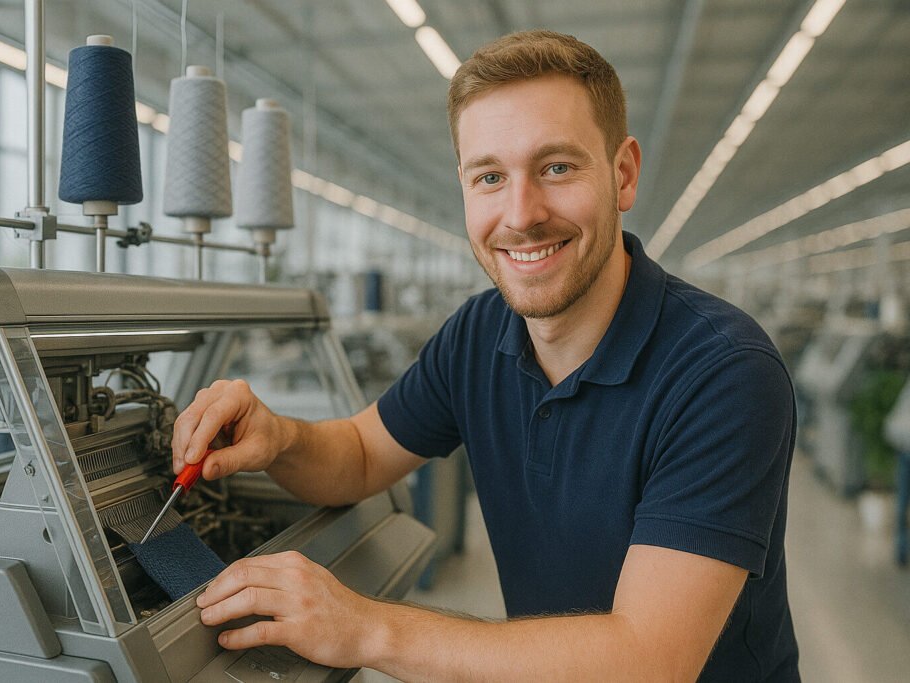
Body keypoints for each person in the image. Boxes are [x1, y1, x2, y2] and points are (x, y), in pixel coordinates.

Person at [173, 30, 799, 681]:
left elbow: (646, 660)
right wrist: (279, 437)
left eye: (557, 167)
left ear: (623, 173)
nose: (521, 214)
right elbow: (359, 456)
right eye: (490, 176)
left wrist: (365, 626)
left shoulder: (724, 372)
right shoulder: (479, 333)